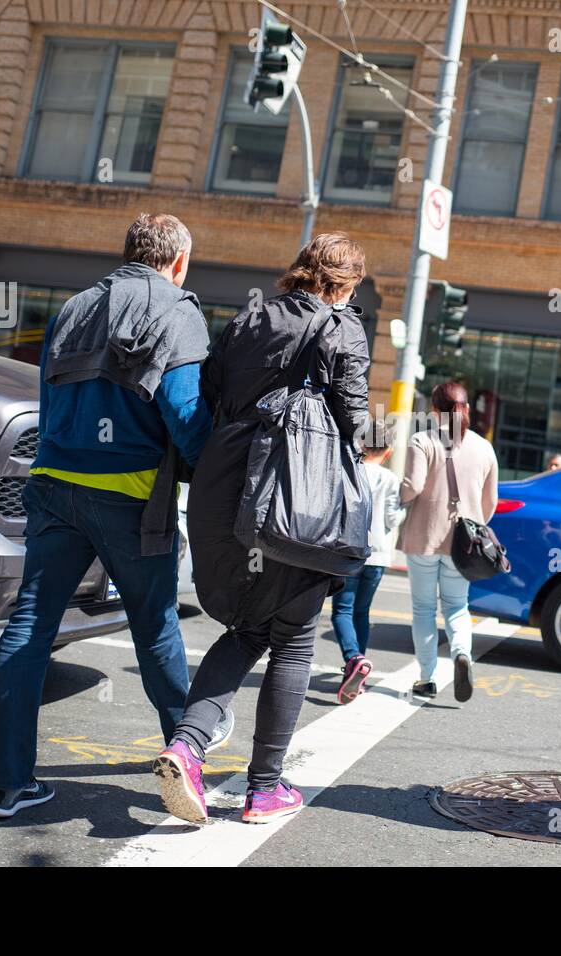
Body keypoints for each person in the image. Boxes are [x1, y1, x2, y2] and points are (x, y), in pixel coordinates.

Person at [0, 213, 232, 819]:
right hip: (130, 495)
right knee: (155, 623)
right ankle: (184, 747)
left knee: (30, 627)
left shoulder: (74, 307)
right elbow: (184, 411)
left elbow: (49, 396)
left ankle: (7, 784)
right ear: (178, 263)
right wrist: (211, 471)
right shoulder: (177, 309)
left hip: (53, 485)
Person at [153, 233, 370, 825]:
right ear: (345, 283)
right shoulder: (342, 324)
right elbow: (356, 420)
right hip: (295, 498)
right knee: (295, 638)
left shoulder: (250, 317)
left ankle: (187, 747)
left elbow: (212, 396)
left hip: (226, 486)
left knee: (248, 629)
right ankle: (264, 788)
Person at [399, 381, 499, 702]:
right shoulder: (484, 448)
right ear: (466, 409)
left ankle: (426, 679)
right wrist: (474, 523)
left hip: (423, 538)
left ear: (434, 410)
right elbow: (491, 502)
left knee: (424, 609)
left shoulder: (421, 440)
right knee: (457, 605)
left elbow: (412, 486)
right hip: (464, 544)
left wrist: (399, 495)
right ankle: (461, 654)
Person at [331, 421, 403, 704]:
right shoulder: (390, 479)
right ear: (388, 451)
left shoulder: (350, 470)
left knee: (342, 611)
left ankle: (353, 659)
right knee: (362, 612)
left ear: (362, 444)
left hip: (349, 550)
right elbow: (392, 519)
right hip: (378, 554)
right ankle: (356, 669)